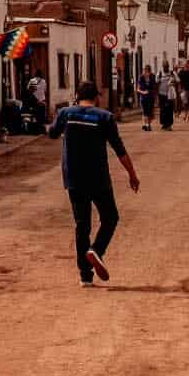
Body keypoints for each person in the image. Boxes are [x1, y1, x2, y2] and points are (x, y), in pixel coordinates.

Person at [49, 81, 140, 287]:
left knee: (82, 225)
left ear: (76, 95)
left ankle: (85, 276)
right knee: (110, 217)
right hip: (98, 178)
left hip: (73, 177)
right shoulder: (104, 117)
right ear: (96, 98)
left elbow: (52, 133)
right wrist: (132, 175)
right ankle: (96, 250)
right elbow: (119, 149)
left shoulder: (66, 114)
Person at [156, 66, 176, 131]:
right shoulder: (160, 73)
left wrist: (173, 79)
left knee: (169, 109)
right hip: (161, 94)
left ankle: (169, 125)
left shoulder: (171, 73)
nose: (165, 67)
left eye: (166, 65)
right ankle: (164, 124)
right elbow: (156, 81)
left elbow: (177, 80)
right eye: (164, 65)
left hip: (170, 94)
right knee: (162, 110)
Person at [136, 66, 156, 131]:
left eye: (147, 71)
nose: (146, 73)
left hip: (151, 97)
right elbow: (138, 89)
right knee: (145, 112)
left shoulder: (152, 77)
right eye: (145, 71)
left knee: (150, 112)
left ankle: (147, 124)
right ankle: (147, 125)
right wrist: (143, 92)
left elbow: (154, 87)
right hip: (143, 98)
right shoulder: (141, 77)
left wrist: (153, 94)